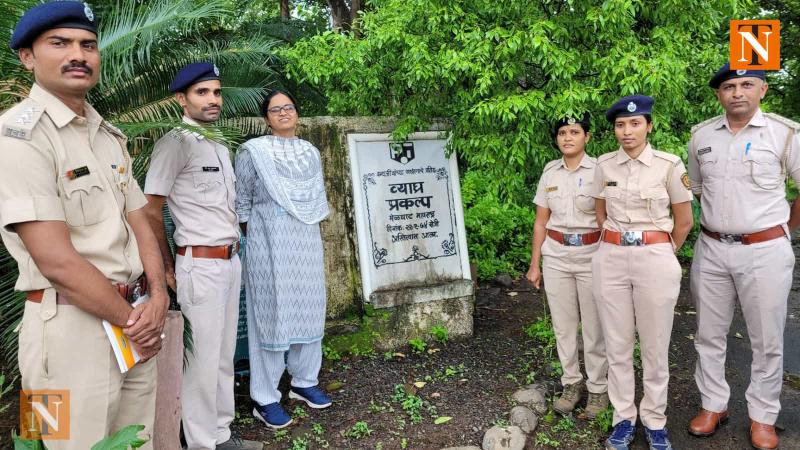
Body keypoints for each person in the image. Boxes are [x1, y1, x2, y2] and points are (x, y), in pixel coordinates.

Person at [0, 2, 168, 448]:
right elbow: (56, 263)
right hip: (63, 335)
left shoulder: (107, 135)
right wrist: (136, 320)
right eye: (60, 43)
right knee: (53, 443)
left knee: (137, 443)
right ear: (28, 57)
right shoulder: (16, 137)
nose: (79, 54)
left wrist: (159, 295)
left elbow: (141, 220)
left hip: (132, 326)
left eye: (88, 45)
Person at [686, 64, 800, 450]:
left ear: (763, 89)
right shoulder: (700, 136)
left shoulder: (786, 134)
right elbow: (699, 190)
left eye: (746, 84)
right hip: (713, 248)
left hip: (764, 251)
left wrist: (783, 229)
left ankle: (763, 416)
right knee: (708, 335)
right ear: (719, 94)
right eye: (729, 86)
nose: (737, 92)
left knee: (767, 339)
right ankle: (713, 405)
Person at [143, 63, 256, 450]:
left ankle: (222, 433)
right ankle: (202, 442)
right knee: (202, 361)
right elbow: (148, 208)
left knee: (223, 356)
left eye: (216, 92)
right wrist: (167, 267)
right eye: (202, 92)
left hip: (229, 260)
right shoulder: (175, 142)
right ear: (181, 98)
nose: (213, 99)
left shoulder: (218, 142)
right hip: (199, 264)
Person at [592, 95, 694, 450]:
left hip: (655, 257)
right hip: (612, 256)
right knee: (617, 344)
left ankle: (654, 420)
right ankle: (623, 418)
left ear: (649, 126)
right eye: (620, 125)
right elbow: (600, 212)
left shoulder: (669, 164)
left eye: (635, 123)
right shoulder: (604, 165)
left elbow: (684, 221)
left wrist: (662, 251)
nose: (627, 131)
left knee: (654, 345)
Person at [235, 90, 332, 429]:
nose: (284, 113)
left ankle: (305, 381)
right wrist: (259, 236)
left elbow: (315, 198)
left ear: (297, 113)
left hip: (305, 239)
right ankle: (265, 398)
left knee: (309, 304)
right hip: (268, 243)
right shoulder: (253, 152)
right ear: (267, 118)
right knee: (272, 313)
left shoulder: (311, 152)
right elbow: (242, 200)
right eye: (276, 110)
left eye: (289, 107)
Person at [526, 113, 609, 418]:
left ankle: (598, 389)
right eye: (562, 132)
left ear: (587, 136)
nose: (568, 138)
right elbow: (540, 222)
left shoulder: (601, 169)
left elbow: (608, 218)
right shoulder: (550, 173)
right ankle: (571, 383)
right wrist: (535, 264)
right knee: (563, 326)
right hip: (557, 255)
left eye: (575, 131)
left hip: (591, 254)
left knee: (594, 326)